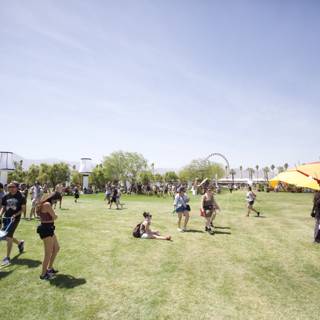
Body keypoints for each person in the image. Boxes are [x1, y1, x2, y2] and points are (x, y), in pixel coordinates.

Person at [0, 182, 26, 266]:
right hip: (6, 218)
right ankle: (19, 243)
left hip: (15, 219)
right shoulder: (5, 196)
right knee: (6, 235)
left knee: (8, 236)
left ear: (17, 187)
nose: (10, 188)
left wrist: (15, 215)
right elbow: (3, 207)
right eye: (9, 187)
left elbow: (23, 209)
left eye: (12, 187)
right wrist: (0, 214)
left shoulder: (21, 197)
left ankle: (7, 257)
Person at [36, 193, 60, 280]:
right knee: (48, 253)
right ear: (53, 199)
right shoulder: (47, 204)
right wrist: (55, 216)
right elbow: (55, 217)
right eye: (56, 200)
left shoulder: (43, 203)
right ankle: (43, 274)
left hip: (49, 228)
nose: (56, 202)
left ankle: (49, 269)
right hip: (46, 229)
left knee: (56, 248)